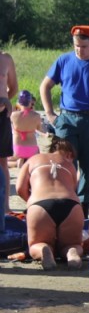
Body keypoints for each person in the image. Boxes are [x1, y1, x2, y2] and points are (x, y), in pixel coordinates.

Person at [40, 25, 89, 216]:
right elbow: (45, 86)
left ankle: (83, 210)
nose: (79, 50)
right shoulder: (64, 60)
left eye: (84, 46)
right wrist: (50, 114)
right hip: (67, 118)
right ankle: (64, 203)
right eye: (76, 45)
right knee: (64, 163)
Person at [15, 137, 84, 270]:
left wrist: (32, 203)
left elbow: (19, 188)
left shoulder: (33, 160)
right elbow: (74, 189)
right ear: (68, 154)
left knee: (36, 244)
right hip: (71, 205)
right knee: (73, 244)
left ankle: (43, 249)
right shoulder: (69, 165)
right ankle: (71, 252)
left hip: (40, 204)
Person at [0, 49, 18, 213]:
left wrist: (5, 100)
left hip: (1, 116)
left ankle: (5, 205)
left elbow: (13, 87)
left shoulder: (5, 58)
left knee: (3, 161)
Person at [10, 91, 41, 167]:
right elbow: (39, 129)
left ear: (19, 102)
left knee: (4, 160)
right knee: (37, 155)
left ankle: (18, 162)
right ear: (30, 102)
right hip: (32, 149)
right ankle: (26, 160)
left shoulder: (13, 115)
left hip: (18, 149)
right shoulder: (37, 116)